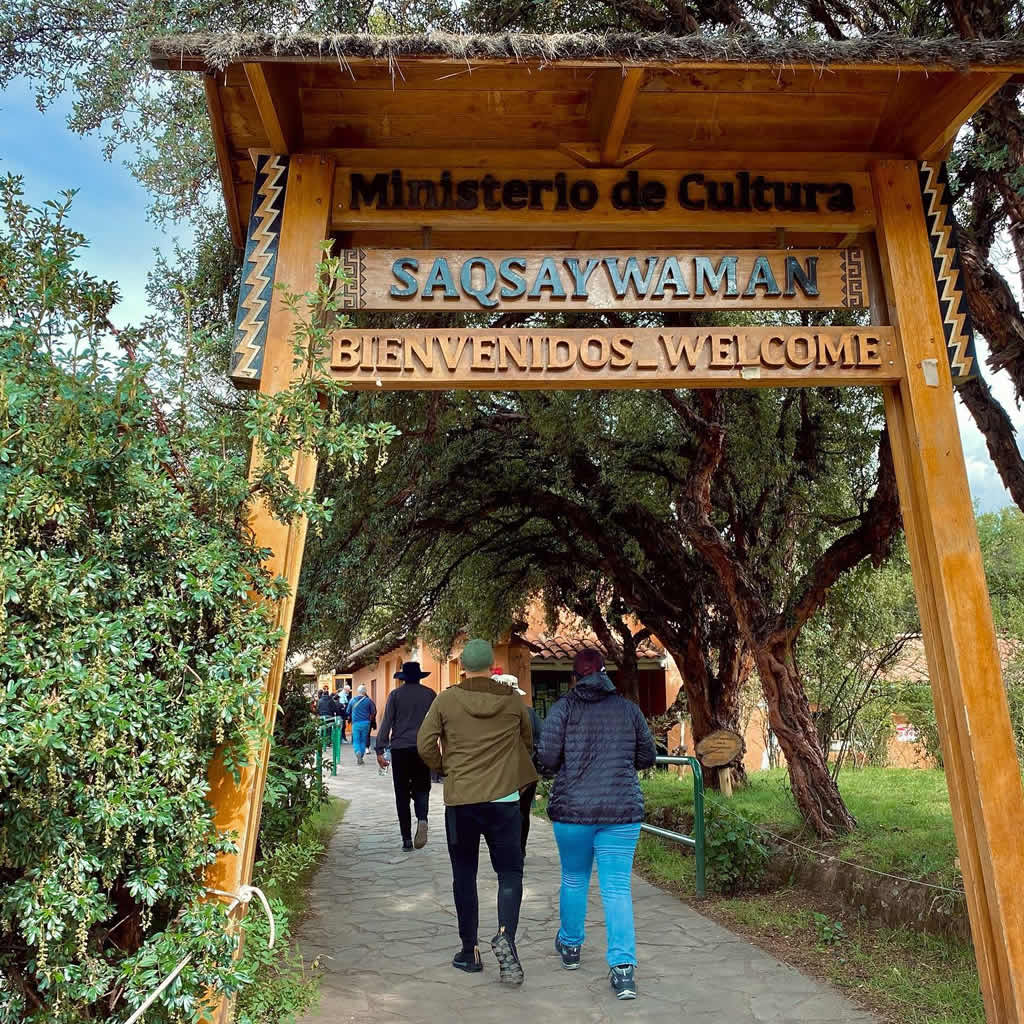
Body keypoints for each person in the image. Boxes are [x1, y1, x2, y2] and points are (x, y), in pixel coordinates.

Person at [538, 648, 657, 1002]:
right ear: (605, 674)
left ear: (574, 676)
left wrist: (560, 767)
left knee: (574, 878)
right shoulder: (627, 709)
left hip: (573, 811)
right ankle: (623, 970)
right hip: (621, 812)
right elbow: (648, 756)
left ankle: (571, 948)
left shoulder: (563, 709)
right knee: (617, 888)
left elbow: (546, 758)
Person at [417, 639, 537, 985]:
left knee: (465, 875)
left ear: (461, 667)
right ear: (492, 666)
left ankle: (469, 951)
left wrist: (445, 767)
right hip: (504, 801)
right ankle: (506, 937)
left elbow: (425, 744)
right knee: (510, 873)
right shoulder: (513, 702)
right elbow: (526, 743)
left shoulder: (446, 700)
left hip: (462, 802)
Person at [376, 661, 436, 852]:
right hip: (422, 749)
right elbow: (437, 721)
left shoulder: (395, 695)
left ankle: (407, 840)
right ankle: (423, 818)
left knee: (401, 794)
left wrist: (379, 749)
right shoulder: (429, 695)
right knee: (422, 788)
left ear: (403, 678)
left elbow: (387, 722)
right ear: (419, 677)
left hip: (400, 749)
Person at [492, 670, 542, 860]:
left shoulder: (492, 714)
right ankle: (519, 850)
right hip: (526, 771)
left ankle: (504, 850)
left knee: (499, 813)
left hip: (499, 772)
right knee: (522, 812)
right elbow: (540, 739)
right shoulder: (529, 712)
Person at [347, 684, 377, 765]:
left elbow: (347, 711)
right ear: (365, 692)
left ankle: (358, 752)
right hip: (366, 723)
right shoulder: (369, 701)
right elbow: (373, 712)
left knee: (356, 740)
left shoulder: (352, 700)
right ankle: (361, 756)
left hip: (355, 723)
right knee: (363, 740)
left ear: (358, 692)